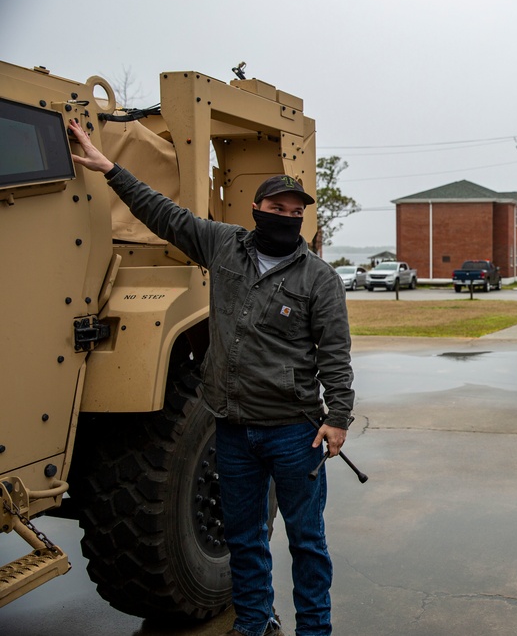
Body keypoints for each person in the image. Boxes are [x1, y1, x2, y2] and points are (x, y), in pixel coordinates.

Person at [68, 119, 354, 636]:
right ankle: (253, 623)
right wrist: (109, 168)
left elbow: (335, 356)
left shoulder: (320, 279)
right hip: (233, 429)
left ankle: (315, 629)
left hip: (295, 433)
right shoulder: (223, 247)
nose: (288, 218)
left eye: (297, 213)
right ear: (256, 211)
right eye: (278, 210)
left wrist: (338, 419)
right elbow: (163, 214)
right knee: (244, 538)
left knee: (308, 542)